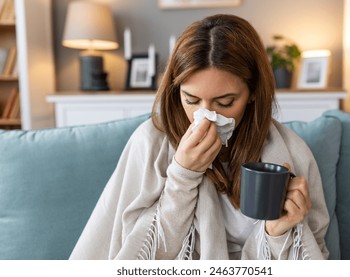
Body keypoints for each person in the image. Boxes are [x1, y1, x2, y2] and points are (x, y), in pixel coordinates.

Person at [70, 14, 329, 260]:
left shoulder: (292, 154)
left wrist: (278, 232)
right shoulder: (150, 143)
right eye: (191, 100)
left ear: (252, 93)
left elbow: (314, 254)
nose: (206, 116)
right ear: (176, 91)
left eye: (225, 102)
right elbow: (142, 258)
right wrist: (183, 175)